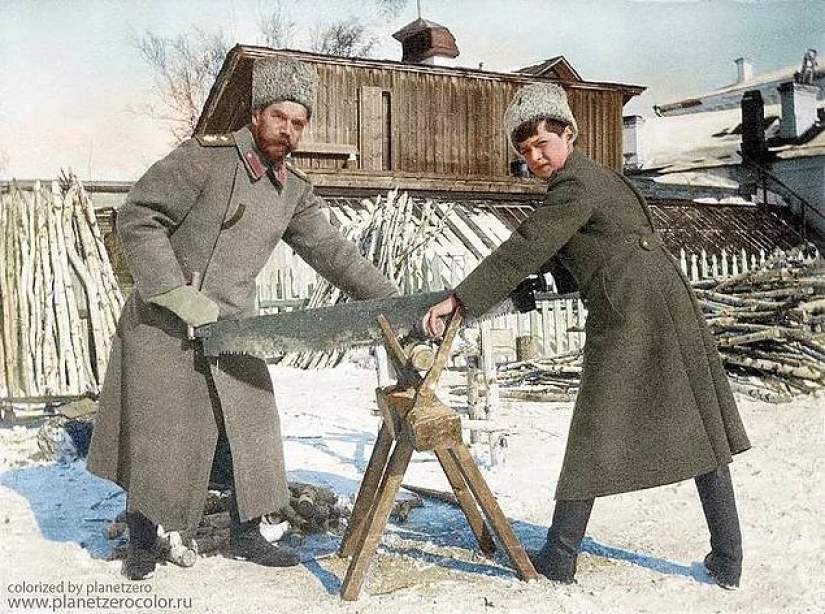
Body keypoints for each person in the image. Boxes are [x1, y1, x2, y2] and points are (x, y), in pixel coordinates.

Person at [421, 82, 751, 589]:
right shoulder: (596, 177)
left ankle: (559, 555)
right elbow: (587, 245)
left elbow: (529, 243)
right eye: (524, 150)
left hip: (633, 314)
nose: (535, 158)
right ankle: (728, 559)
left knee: (596, 427)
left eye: (542, 145)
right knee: (701, 428)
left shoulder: (574, 185)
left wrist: (461, 298)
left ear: (568, 134)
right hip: (661, 304)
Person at [87, 54, 398, 581]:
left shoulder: (292, 190)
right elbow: (138, 216)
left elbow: (334, 254)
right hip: (167, 323)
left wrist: (393, 302)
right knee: (158, 433)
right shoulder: (202, 160)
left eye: (299, 123)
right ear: (256, 114)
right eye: (280, 117)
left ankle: (247, 533)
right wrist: (175, 293)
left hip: (234, 328)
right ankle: (142, 541)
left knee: (251, 427)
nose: (289, 131)